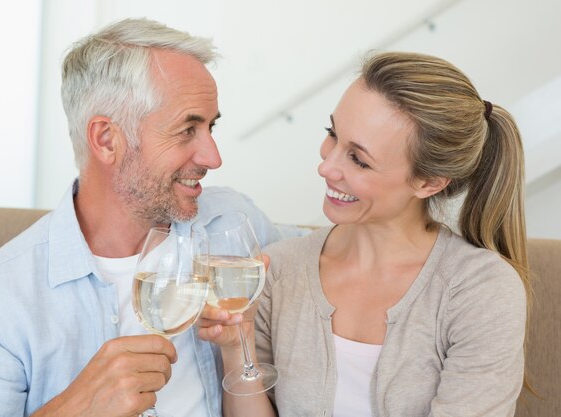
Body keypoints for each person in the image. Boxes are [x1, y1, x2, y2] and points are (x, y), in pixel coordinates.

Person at [0, 17, 281, 417]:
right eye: (187, 130)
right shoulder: (0, 299)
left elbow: (329, 258)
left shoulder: (231, 224)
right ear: (105, 139)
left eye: (210, 126)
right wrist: (77, 407)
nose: (213, 157)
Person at [200, 51, 529, 417]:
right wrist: (237, 346)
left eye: (359, 159)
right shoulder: (280, 269)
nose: (326, 166)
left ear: (429, 182)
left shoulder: (480, 290)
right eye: (332, 134)